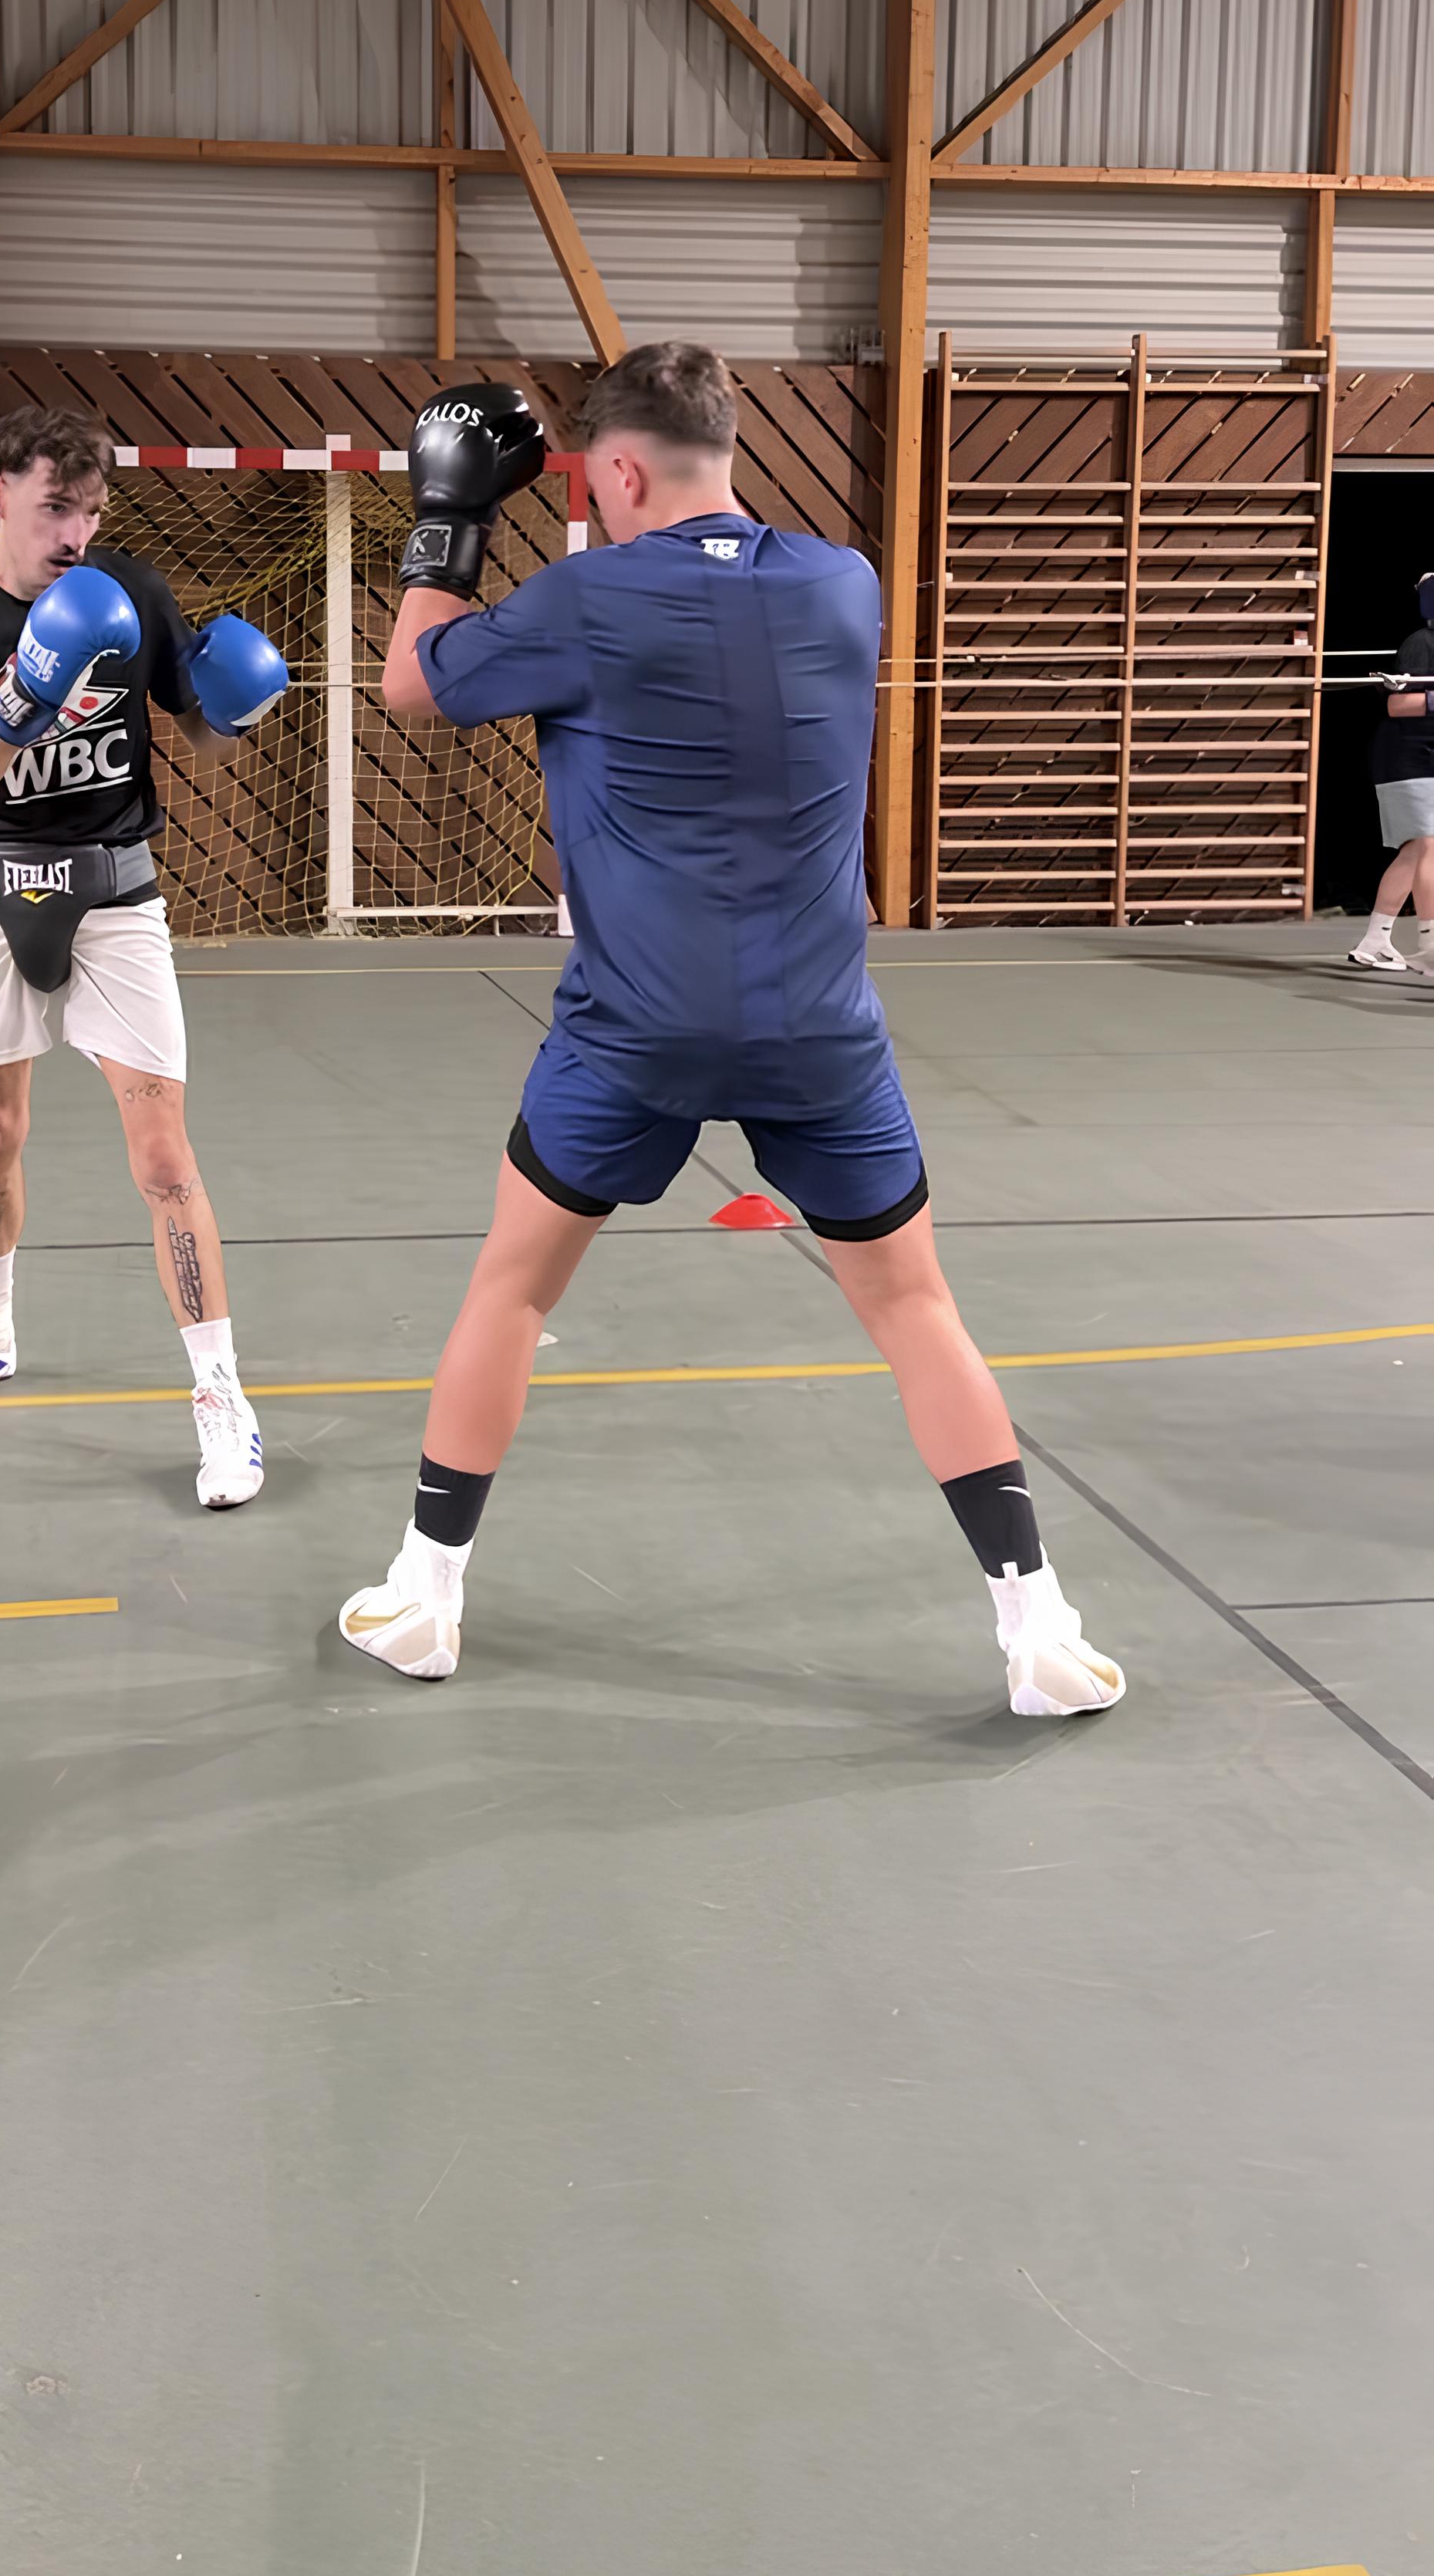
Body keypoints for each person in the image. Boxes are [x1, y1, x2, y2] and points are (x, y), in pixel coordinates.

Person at [337, 346, 1125, 1720]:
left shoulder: (586, 596)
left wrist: (451, 517)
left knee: (512, 1289)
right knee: (914, 1305)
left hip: (632, 1028)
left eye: (595, 484)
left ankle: (423, 1593)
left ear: (621, 470)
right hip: (822, 1027)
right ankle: (1039, 1622)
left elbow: (411, 681)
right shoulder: (843, 583)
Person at [0, 403, 288, 1507]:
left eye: (93, 510)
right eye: (58, 506)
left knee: (163, 1155)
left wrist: (235, 708)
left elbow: (199, 740)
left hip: (116, 892)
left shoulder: (133, 593)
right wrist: (31, 685)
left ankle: (221, 1397)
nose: (77, 531)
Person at [1348, 569, 1434, 976]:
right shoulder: (1421, 644)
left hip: (1427, 760)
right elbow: (1399, 706)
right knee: (1420, 848)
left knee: (1428, 850)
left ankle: (1426, 943)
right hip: (1406, 760)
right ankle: (1376, 940)